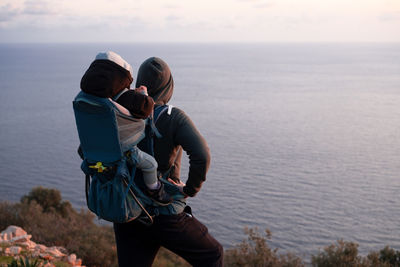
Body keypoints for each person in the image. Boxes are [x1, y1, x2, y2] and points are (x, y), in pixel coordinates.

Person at [113, 57, 224, 267]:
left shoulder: (121, 113)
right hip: (163, 213)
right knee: (212, 254)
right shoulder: (174, 117)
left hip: (128, 210)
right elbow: (202, 154)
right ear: (168, 86)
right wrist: (190, 189)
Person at [80, 51, 171, 205]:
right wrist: (143, 94)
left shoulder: (83, 98)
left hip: (92, 147)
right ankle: (155, 190)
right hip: (122, 148)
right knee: (151, 165)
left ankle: (100, 168)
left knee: (98, 163)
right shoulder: (126, 97)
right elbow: (146, 108)